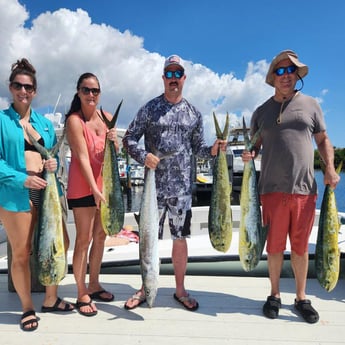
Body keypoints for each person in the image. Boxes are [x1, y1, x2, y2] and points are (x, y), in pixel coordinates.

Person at [242, 50, 340, 323]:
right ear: (273, 77)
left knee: (299, 248)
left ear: (297, 75)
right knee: (273, 247)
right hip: (271, 190)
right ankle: (274, 294)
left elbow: (322, 140)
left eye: (290, 71)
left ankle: (301, 297)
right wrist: (249, 155)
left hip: (304, 190)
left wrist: (330, 168)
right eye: (280, 71)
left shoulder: (311, 105)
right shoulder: (261, 112)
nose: (285, 76)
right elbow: (254, 147)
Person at [122, 54, 227, 311]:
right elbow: (129, 139)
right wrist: (143, 156)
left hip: (181, 190)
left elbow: (198, 149)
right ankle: (146, 286)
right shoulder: (149, 109)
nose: (173, 79)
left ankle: (180, 290)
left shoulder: (194, 114)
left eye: (177, 74)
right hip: (153, 189)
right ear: (163, 78)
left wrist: (213, 150)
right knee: (148, 239)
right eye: (168, 74)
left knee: (180, 239)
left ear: (183, 78)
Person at [0, 58, 74, 332]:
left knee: (60, 243)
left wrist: (52, 166)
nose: (23, 91)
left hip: (47, 194)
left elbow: (53, 156)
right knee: (22, 253)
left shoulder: (44, 124)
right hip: (16, 195)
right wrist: (24, 179)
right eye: (18, 85)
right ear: (11, 88)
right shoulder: (1, 121)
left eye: (28, 87)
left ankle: (52, 298)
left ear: (35, 91)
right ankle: (27, 307)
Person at [65, 73, 119, 317]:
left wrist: (115, 141)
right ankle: (81, 291)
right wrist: (94, 190)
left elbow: (113, 154)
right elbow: (83, 159)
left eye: (95, 90)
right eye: (86, 90)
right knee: (83, 240)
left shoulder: (107, 117)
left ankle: (95, 283)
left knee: (100, 237)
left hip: (104, 188)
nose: (90, 95)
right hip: (83, 188)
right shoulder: (74, 121)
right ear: (78, 92)